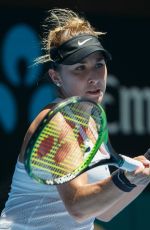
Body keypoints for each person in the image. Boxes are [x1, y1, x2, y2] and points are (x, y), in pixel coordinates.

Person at [0, 8, 150, 230]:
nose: (93, 77)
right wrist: (125, 179)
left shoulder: (93, 120)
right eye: (80, 68)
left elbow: (104, 212)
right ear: (56, 77)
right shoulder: (56, 123)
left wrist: (139, 177)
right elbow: (78, 208)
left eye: (99, 65)